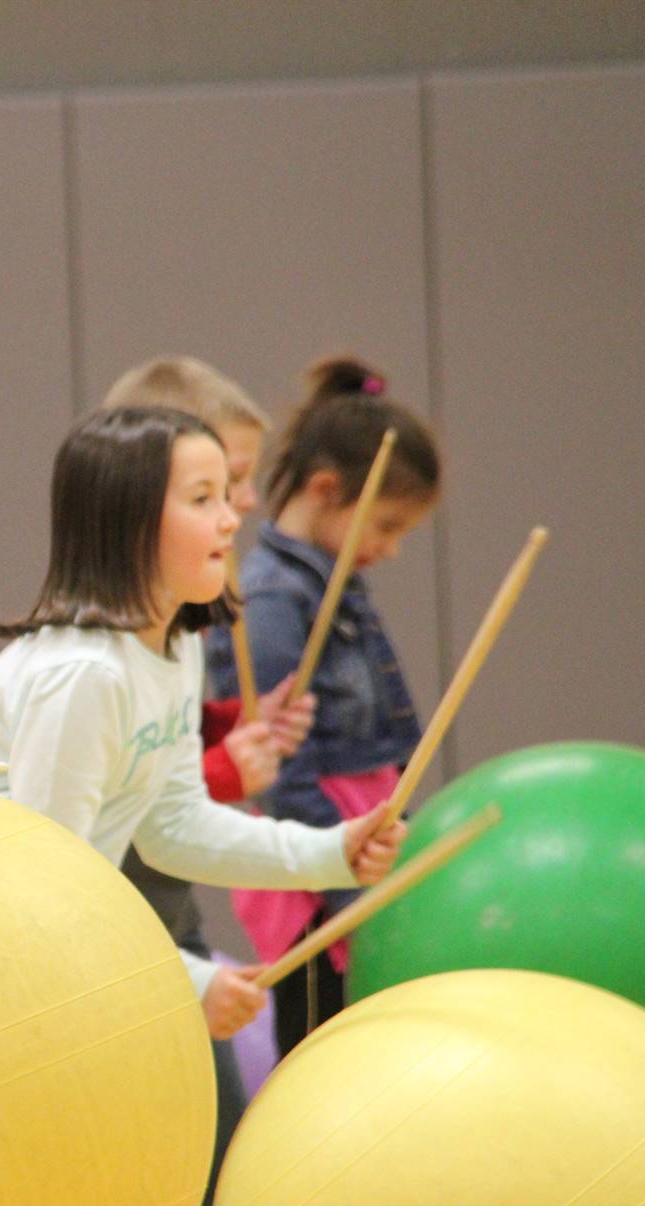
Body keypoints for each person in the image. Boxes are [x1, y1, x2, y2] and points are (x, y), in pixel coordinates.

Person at [0, 402, 405, 992]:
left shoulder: (176, 646)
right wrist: (189, 983)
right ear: (128, 521)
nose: (231, 521)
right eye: (203, 499)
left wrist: (334, 850)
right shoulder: (84, 677)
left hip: (27, 959)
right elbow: (45, 890)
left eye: (227, 497)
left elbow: (172, 825)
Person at [97, 356, 315, 1206]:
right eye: (217, 485)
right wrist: (230, 766)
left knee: (212, 1194)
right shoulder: (85, 663)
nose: (244, 507)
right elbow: (93, 843)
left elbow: (172, 778)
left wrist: (235, 736)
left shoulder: (174, 642)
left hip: (166, 936)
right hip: (112, 968)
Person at [205, 354, 442, 1059]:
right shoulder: (274, 598)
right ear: (325, 489)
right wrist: (338, 875)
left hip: (352, 843)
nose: (392, 549)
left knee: (368, 1043)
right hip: (312, 864)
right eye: (387, 525)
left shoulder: (334, 580)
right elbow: (281, 771)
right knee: (320, 1047)